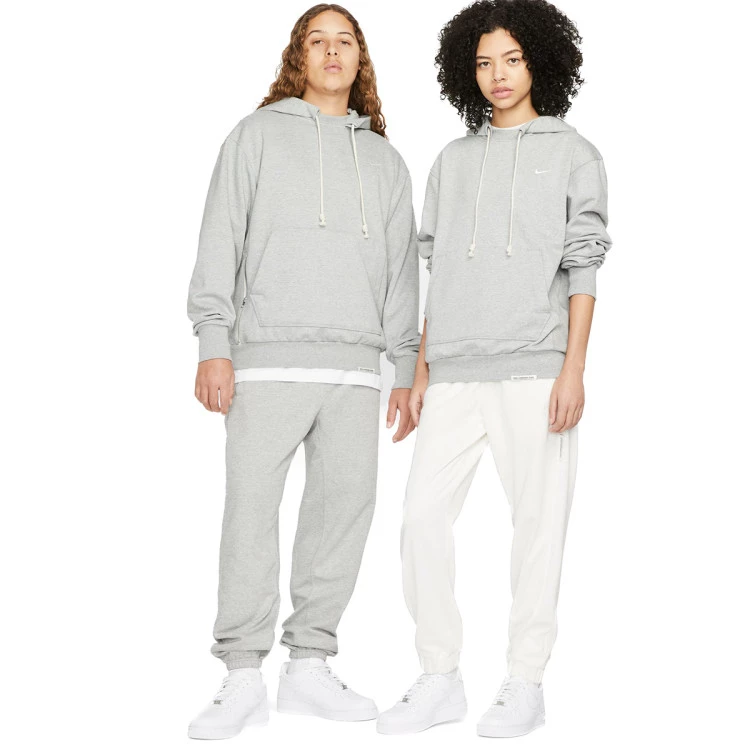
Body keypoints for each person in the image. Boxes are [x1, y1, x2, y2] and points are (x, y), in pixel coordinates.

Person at [376, 0, 613, 738]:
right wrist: (419, 373)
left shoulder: (574, 154)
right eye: (483, 62)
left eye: (511, 58)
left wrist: (573, 369)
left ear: (540, 61)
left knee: (538, 527)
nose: (498, 75)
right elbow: (436, 272)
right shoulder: (452, 161)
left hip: (535, 368)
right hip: (452, 370)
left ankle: (524, 682)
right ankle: (440, 675)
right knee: (420, 521)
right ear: (465, 72)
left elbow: (583, 266)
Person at [185, 4, 421, 739]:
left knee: (342, 514)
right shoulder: (254, 136)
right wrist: (213, 342)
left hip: (356, 370)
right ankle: (241, 673)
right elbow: (220, 238)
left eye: (345, 41)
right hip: (265, 361)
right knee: (250, 515)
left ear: (360, 59)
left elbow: (402, 273)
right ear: (298, 56)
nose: (332, 51)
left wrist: (405, 366)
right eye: (317, 40)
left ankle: (308, 666)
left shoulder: (384, 160)